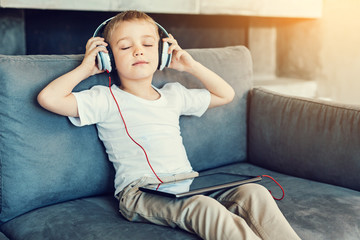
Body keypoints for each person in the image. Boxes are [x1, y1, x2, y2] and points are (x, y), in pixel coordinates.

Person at [37, 10, 300, 240]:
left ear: (162, 53)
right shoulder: (104, 99)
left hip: (187, 185)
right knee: (204, 208)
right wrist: (86, 68)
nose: (138, 51)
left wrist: (191, 66)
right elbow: (48, 98)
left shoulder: (174, 94)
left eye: (148, 44)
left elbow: (225, 94)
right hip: (140, 193)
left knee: (254, 192)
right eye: (125, 47)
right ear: (108, 59)